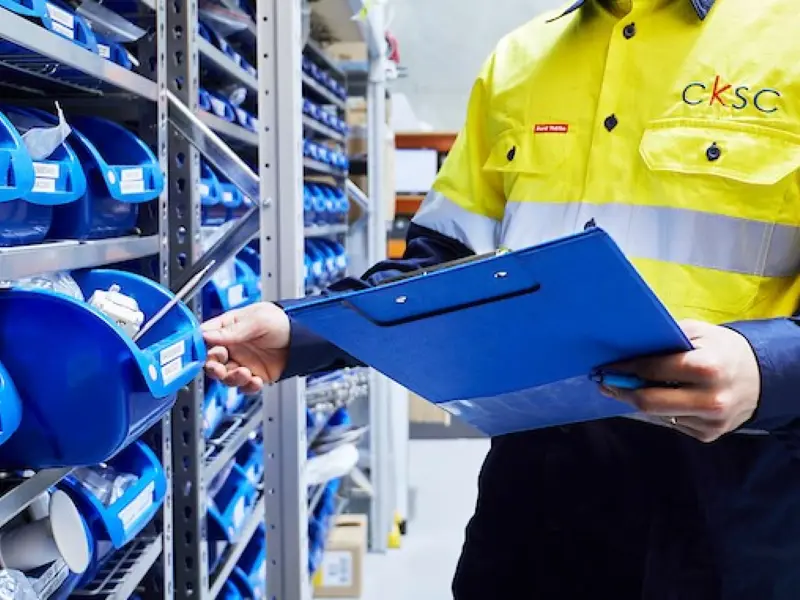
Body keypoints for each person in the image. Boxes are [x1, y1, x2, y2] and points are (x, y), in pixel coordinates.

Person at [202, 0, 800, 597]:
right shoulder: (519, 58)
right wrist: (304, 330)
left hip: (732, 511)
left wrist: (765, 368)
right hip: (534, 504)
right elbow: (444, 263)